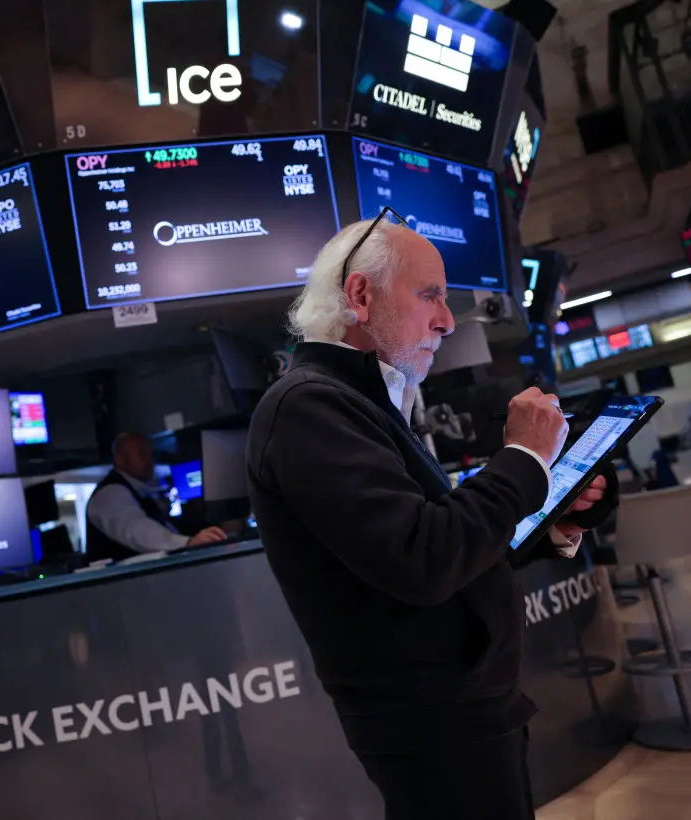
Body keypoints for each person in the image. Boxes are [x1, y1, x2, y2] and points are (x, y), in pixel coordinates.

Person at [245, 215, 618, 820]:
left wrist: (554, 527)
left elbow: (447, 542)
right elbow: (421, 558)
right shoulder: (307, 405)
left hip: (463, 705)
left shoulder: (363, 401)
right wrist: (522, 459)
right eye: (431, 295)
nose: (447, 320)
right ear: (361, 296)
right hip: (431, 717)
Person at [85, 433, 227, 561]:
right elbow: (138, 531)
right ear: (120, 460)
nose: (149, 461)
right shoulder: (110, 494)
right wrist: (187, 543)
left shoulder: (141, 491)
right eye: (141, 454)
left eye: (150, 454)